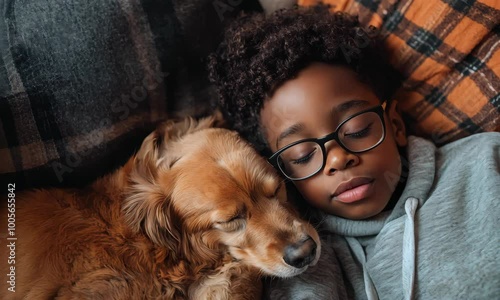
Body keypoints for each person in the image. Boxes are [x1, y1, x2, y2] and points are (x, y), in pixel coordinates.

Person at [208, 5, 500, 300]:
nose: (337, 159)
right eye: (302, 155)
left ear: (395, 124)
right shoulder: (302, 262)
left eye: (357, 130)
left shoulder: (486, 162)